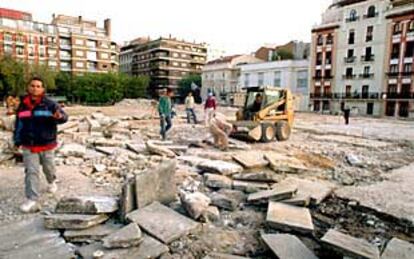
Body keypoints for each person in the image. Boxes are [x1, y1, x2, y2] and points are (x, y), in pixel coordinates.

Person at [13, 76, 68, 213]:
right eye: (32, 85)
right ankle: (32, 199)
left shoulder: (50, 104)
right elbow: (19, 124)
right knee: (31, 171)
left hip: (47, 144)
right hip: (29, 145)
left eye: (38, 86)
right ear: (28, 87)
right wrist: (17, 140)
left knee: (49, 168)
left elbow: (64, 117)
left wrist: (59, 117)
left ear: (42, 89)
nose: (35, 88)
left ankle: (52, 181)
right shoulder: (22, 105)